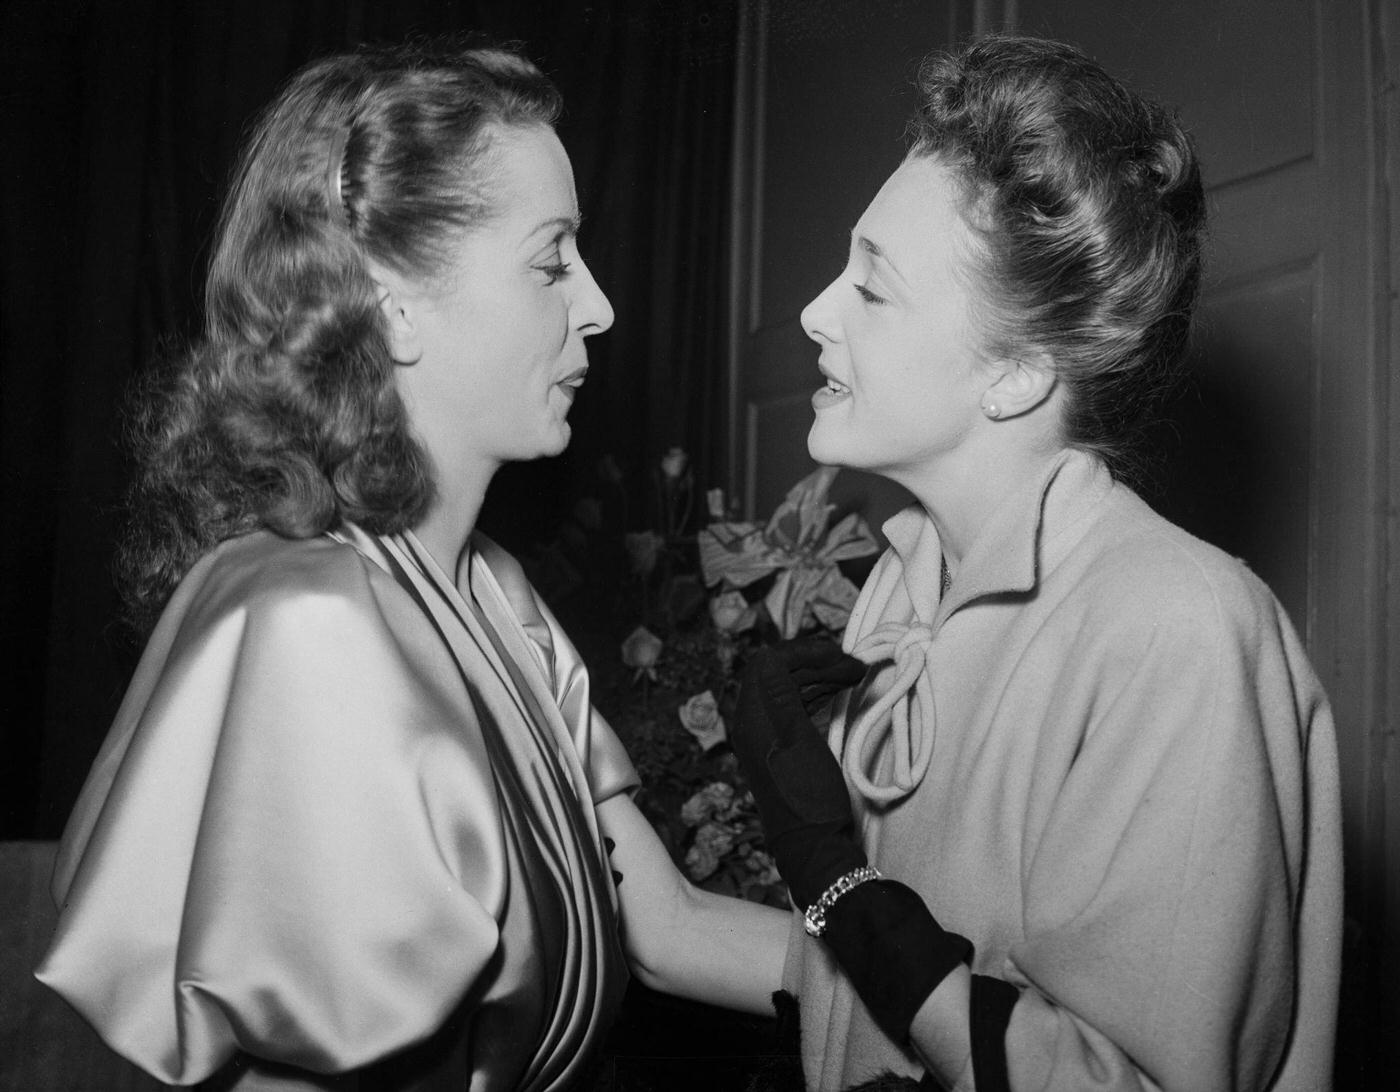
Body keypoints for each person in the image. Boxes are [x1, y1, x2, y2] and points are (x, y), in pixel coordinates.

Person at [35, 41, 788, 1092]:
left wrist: (948, 1003)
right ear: (388, 301)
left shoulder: (491, 592)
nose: (599, 305)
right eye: (550, 259)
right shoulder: (304, 615)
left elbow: (664, 924)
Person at [731, 34, 1343, 1092]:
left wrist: (843, 891)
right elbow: (844, 994)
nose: (812, 312)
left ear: (1013, 373)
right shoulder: (904, 600)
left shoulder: (1176, 627)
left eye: (870, 290)